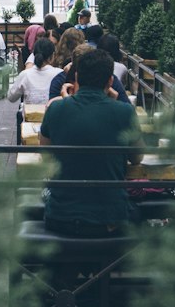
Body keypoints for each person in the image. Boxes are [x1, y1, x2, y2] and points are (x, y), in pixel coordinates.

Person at [39, 45, 143, 235]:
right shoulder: (124, 112)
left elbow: (46, 156)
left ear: (76, 77)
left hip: (61, 217)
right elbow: (137, 158)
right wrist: (117, 100)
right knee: (139, 211)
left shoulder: (55, 109)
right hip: (110, 221)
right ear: (110, 81)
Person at [7, 35, 58, 105]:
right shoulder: (59, 74)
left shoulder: (25, 74)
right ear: (52, 56)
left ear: (33, 55)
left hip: (30, 114)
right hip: (52, 114)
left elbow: (11, 97)